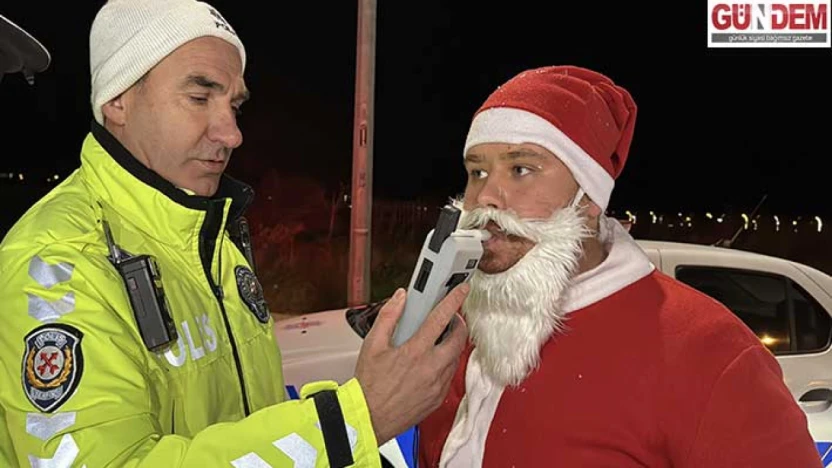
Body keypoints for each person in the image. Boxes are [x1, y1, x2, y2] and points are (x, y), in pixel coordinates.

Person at [0, 0, 468, 466]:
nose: (231, 133)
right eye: (200, 97)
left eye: (234, 105)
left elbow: (246, 421)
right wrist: (354, 422)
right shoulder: (55, 262)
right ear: (118, 100)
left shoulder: (212, 237)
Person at [417, 65, 822, 467]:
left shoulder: (710, 352)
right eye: (477, 172)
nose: (485, 197)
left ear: (589, 196)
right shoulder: (456, 327)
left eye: (521, 169)